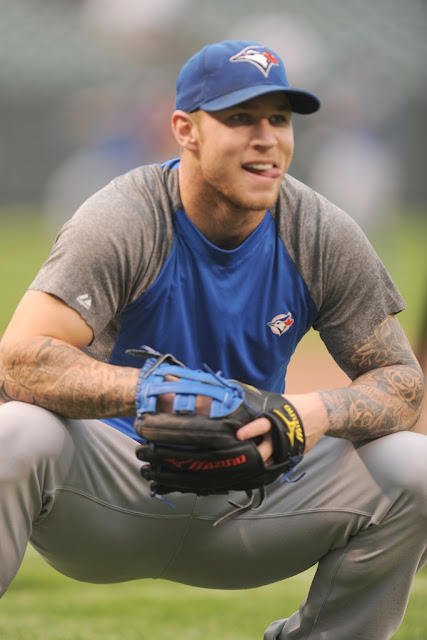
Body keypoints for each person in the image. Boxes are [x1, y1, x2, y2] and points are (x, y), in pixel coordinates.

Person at [0, 40, 425, 640]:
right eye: (240, 118)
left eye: (279, 119)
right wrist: (159, 391)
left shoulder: (319, 231)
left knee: (416, 467)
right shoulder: (127, 216)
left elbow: (404, 383)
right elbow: (18, 362)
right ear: (186, 130)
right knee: (14, 430)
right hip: (114, 491)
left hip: (252, 504)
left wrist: (309, 413)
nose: (266, 138)